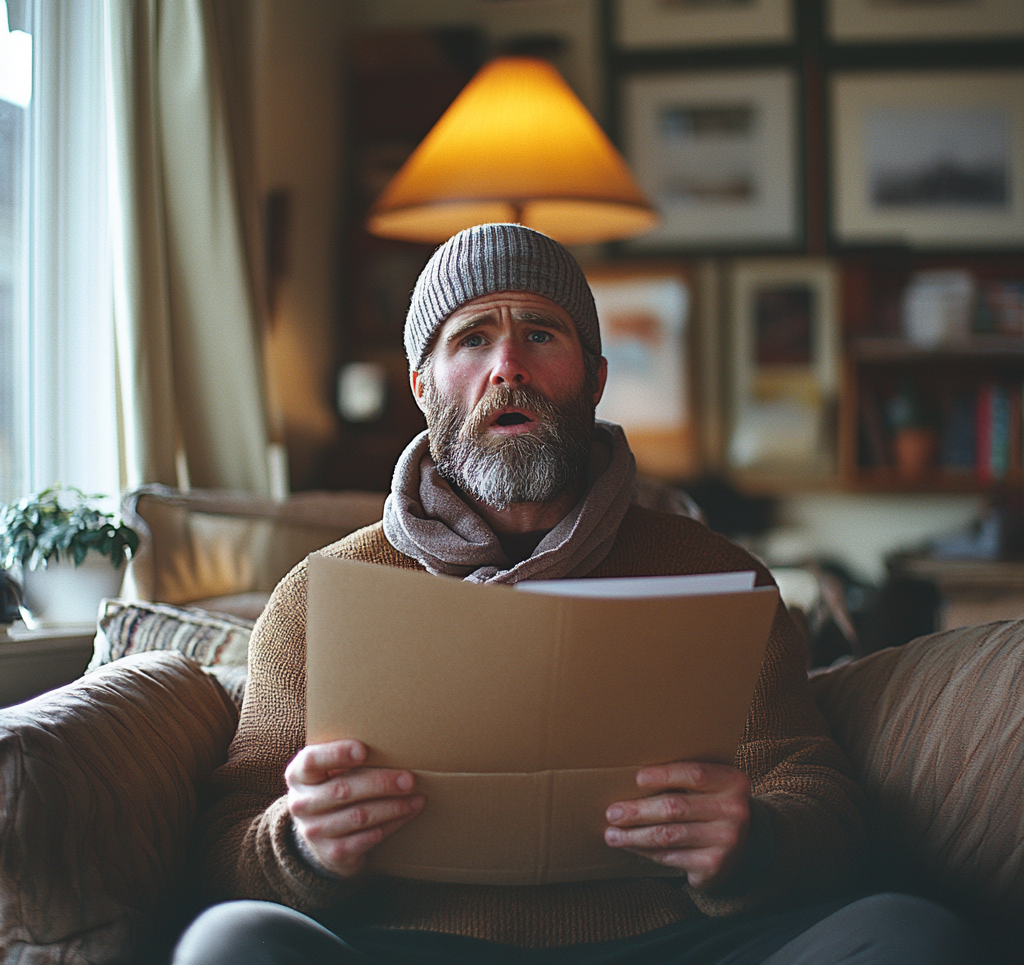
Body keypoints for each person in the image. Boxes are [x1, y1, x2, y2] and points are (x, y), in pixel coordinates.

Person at [176, 225, 983, 964]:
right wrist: (303, 844)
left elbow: (822, 799)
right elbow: (224, 849)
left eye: (540, 333)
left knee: (913, 932)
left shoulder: (718, 579)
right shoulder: (321, 599)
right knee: (227, 942)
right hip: (406, 943)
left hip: (674, 940)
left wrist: (756, 841)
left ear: (594, 377)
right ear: (422, 384)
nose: (508, 367)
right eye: (473, 338)